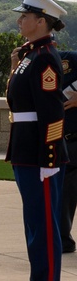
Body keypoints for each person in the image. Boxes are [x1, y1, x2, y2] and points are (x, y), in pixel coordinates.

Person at [5, 0, 68, 281]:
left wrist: (48, 160)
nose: (20, 20)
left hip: (39, 156)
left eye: (26, 15)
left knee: (43, 229)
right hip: (25, 150)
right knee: (35, 228)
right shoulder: (30, 55)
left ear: (42, 21)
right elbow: (18, 101)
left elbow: (53, 113)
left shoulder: (44, 59)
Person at [58, 49, 77, 254]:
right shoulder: (28, 65)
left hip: (73, 138)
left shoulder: (70, 60)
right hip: (57, 140)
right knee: (63, 194)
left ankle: (63, 240)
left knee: (65, 193)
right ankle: (62, 239)